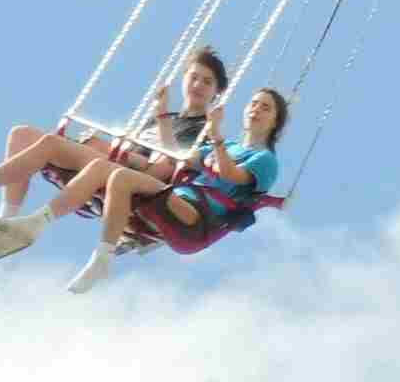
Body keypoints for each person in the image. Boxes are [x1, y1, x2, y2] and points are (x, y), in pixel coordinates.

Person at [0, 47, 222, 262]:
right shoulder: (166, 117)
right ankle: (4, 223)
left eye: (206, 82)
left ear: (216, 93)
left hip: (127, 181)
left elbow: (163, 172)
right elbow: (138, 152)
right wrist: (109, 145)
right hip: (109, 162)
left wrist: (127, 145)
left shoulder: (201, 131)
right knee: (21, 135)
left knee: (50, 143)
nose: (197, 85)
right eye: (194, 77)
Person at [68, 77, 291, 292]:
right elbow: (178, 158)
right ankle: (99, 253)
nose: (256, 110)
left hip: (198, 217)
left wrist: (214, 135)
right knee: (116, 173)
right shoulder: (230, 145)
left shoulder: (265, 160)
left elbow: (229, 174)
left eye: (265, 108)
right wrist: (159, 117)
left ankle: (101, 259)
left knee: (122, 178)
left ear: (275, 122)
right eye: (253, 104)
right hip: (176, 196)